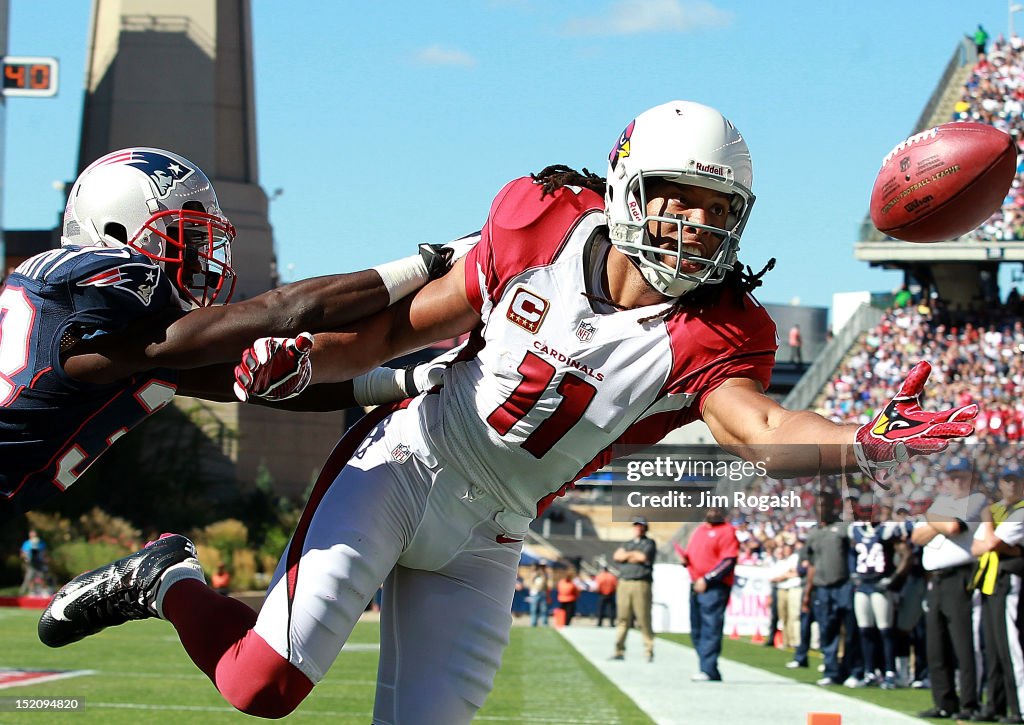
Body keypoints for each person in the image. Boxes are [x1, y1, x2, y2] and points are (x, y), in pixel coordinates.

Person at [41, 101, 976, 722]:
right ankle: (167, 578)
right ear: (625, 186)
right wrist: (301, 363)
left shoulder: (715, 328)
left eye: (712, 210)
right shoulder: (542, 224)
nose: (692, 227)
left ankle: (178, 582)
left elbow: (760, 429)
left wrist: (863, 442)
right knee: (262, 685)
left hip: (491, 531)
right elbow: (388, 335)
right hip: (404, 465)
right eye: (676, 202)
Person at [0, 147, 453, 520]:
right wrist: (429, 263)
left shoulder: (121, 347)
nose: (198, 260)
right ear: (117, 227)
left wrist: (410, 381)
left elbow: (262, 387)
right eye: (185, 238)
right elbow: (282, 311)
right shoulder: (104, 284)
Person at [912, 455, 989, 720]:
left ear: (971, 478)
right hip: (936, 578)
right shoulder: (942, 503)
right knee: (936, 645)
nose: (956, 481)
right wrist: (937, 520)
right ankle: (944, 701)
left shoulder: (976, 500)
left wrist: (931, 517)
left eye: (961, 476)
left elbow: (954, 527)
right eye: (953, 476)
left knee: (963, 644)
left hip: (960, 576)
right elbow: (917, 536)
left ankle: (969, 702)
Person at [971, 463, 1024, 723]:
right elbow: (976, 548)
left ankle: (1020, 707)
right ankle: (996, 703)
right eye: (1007, 481)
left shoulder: (1019, 511)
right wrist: (996, 544)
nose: (1011, 486)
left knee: (1011, 647)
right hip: (992, 580)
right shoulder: (1000, 509)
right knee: (992, 646)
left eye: (1016, 481)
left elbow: (989, 542)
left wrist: (988, 522)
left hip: (1010, 580)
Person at [678, 507, 738, 681]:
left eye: (716, 510)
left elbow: (728, 561)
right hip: (695, 584)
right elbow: (693, 554)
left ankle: (708, 668)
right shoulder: (700, 530)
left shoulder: (727, 531)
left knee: (710, 628)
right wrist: (686, 560)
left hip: (714, 587)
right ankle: (709, 667)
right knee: (696, 628)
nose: (712, 513)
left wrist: (707, 579)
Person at [612, 517, 657, 663]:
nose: (638, 528)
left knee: (643, 617)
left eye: (640, 526)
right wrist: (631, 555)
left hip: (641, 583)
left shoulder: (649, 543)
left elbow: (642, 556)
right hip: (624, 582)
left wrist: (628, 555)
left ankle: (648, 650)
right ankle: (619, 650)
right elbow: (617, 556)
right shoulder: (627, 543)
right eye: (636, 526)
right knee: (622, 618)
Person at [19, 529, 49, 595]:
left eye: (35, 535)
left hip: (40, 563)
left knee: (42, 577)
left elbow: (45, 553)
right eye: (32, 535)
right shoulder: (26, 543)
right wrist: (26, 557)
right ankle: (32, 591)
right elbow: (22, 553)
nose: (33, 536)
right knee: (30, 577)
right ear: (30, 535)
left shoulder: (41, 543)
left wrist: (45, 559)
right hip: (30, 564)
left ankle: (44, 591)